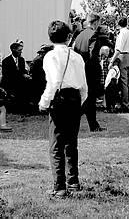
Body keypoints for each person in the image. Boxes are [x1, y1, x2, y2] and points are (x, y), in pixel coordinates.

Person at [39, 20, 88, 199]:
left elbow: (54, 82)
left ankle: (59, 187)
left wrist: (44, 102)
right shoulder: (77, 57)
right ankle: (73, 182)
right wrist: (80, 100)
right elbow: (84, 85)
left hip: (59, 99)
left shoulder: (50, 56)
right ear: (69, 37)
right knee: (71, 142)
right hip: (75, 98)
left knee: (56, 144)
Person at [72, 13, 103, 131]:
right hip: (91, 71)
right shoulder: (94, 34)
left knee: (89, 99)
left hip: (80, 70)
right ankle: (76, 119)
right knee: (89, 99)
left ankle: (94, 125)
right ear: (96, 22)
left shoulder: (79, 35)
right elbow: (93, 55)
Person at [110, 17, 129, 113]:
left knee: (123, 82)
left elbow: (118, 49)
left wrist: (112, 61)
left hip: (123, 56)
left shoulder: (122, 33)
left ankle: (125, 104)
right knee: (128, 83)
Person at [2, 40, 32, 112]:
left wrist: (25, 74)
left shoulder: (21, 60)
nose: (21, 52)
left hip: (20, 81)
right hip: (10, 82)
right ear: (13, 50)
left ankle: (25, 106)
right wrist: (22, 75)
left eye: (21, 50)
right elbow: (7, 75)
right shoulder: (6, 61)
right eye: (19, 50)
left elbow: (22, 70)